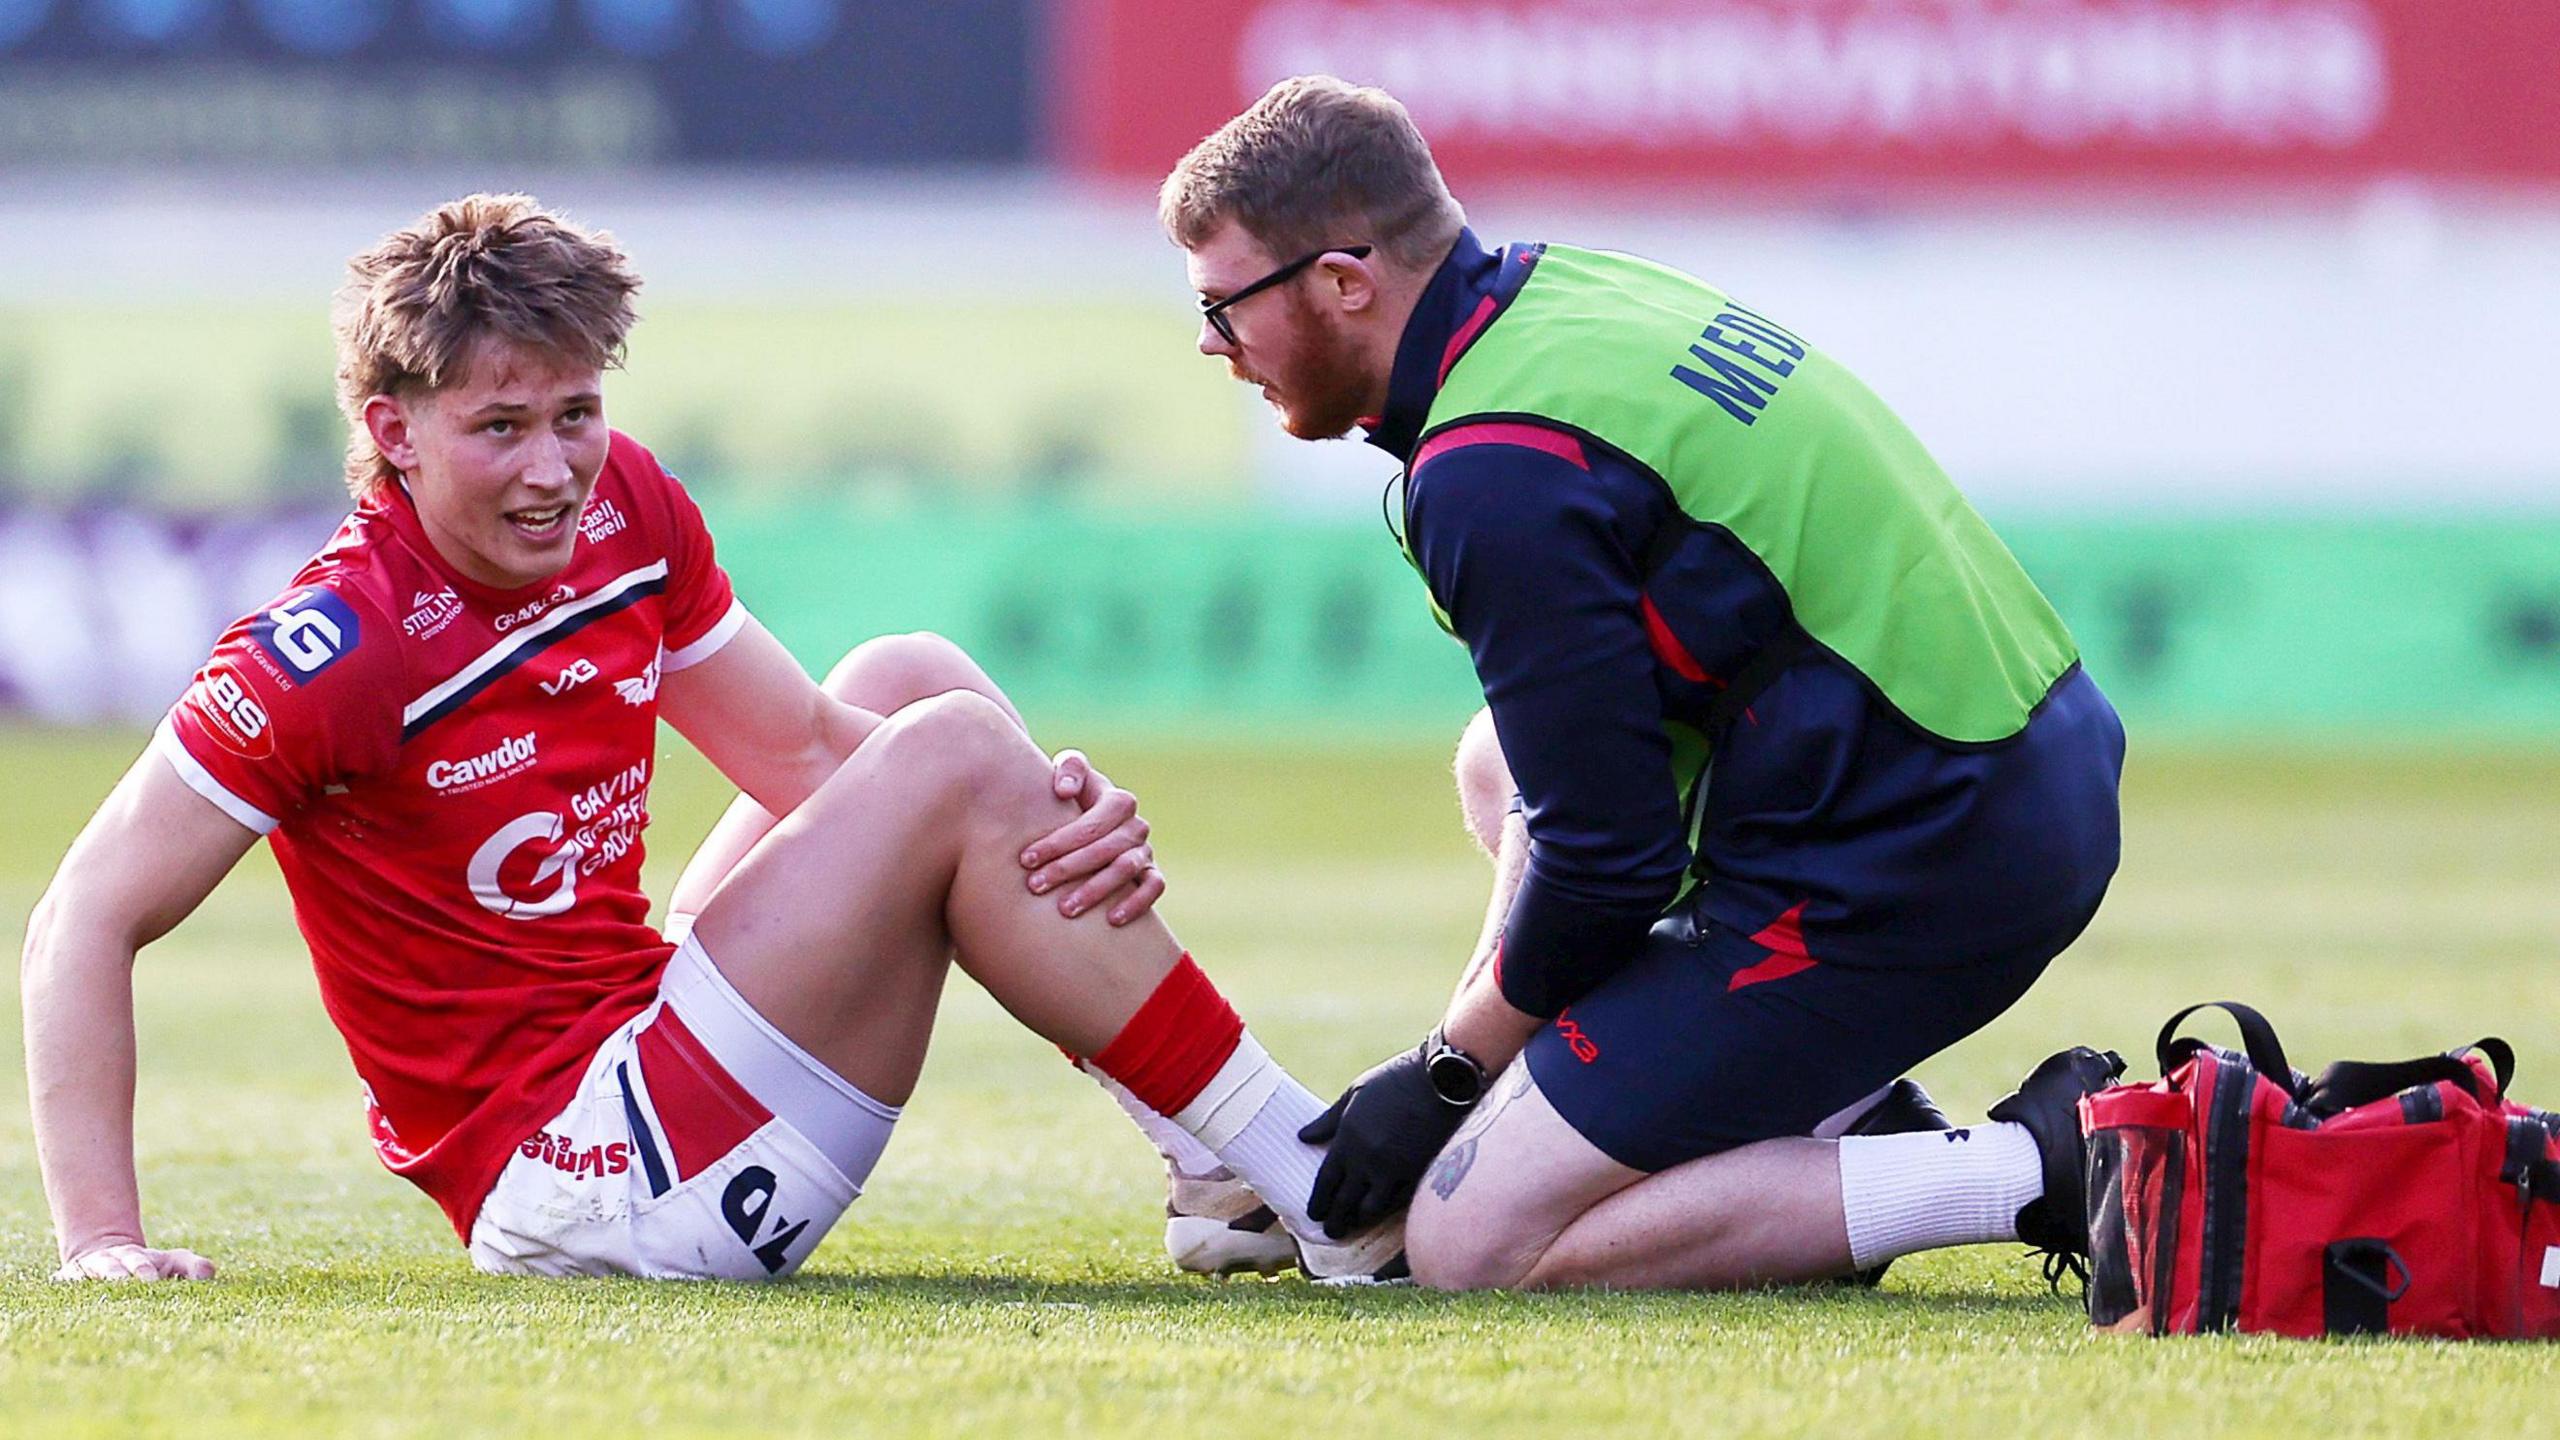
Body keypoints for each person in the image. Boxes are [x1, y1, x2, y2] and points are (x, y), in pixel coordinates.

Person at [21, 194, 1398, 1284]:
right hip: (576, 1183)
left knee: (912, 680)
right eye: (498, 428)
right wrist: (100, 1243)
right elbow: (82, 913)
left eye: (575, 413)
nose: (556, 468)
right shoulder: (336, 649)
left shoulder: (623, 506)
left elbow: (802, 749)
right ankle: (1322, 1183)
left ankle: (1218, 1174)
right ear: (394, 433)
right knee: (955, 748)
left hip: (650, 1046)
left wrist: (1044, 821)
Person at [1152, 77, 2131, 1291]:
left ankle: (2046, 1165)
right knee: (1495, 761)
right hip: (2020, 770)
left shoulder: (1489, 469)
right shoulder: (1562, 289)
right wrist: (1475, 1072)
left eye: (1222, 308)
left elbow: (1609, 863)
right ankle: (1838, 1121)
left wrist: (1445, 1076)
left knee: (1474, 1243)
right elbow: (1600, 809)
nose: (1211, 344)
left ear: (1346, 282)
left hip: (1924, 859)